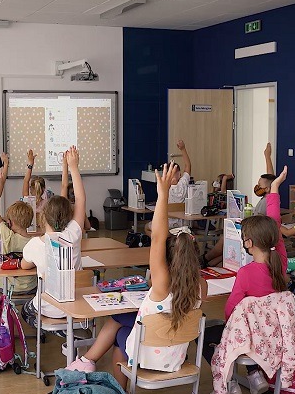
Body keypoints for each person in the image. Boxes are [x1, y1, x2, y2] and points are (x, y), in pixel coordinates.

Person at [65, 162, 207, 390]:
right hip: (175, 358)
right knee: (124, 321)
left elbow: (158, 237)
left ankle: (104, 376)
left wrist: (163, 195)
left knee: (121, 335)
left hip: (149, 358)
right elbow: (163, 241)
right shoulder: (202, 286)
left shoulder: (162, 284)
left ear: (168, 259)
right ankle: (87, 361)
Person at [21, 146, 86, 318]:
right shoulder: (74, 235)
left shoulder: (34, 244)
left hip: (48, 308)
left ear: (43, 217)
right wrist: (73, 167)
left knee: (25, 310)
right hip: (76, 306)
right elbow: (80, 198)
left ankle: (55, 329)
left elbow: (24, 265)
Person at [0, 156, 37, 295]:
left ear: (10, 222)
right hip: (31, 287)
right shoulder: (35, 242)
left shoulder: (7, 235)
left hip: (6, 286)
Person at [144, 140, 191, 235]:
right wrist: (183, 149)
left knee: (146, 227)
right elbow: (188, 165)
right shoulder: (183, 184)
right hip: (183, 224)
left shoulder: (164, 188)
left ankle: (158, 243)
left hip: (167, 225)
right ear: (180, 174)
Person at [61, 152, 91, 231]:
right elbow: (88, 226)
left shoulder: (64, 208)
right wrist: (74, 167)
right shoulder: (79, 210)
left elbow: (64, 185)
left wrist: (65, 164)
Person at [23, 149, 50, 213]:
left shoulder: (27, 202)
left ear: (30, 189)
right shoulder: (48, 204)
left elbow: (25, 181)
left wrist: (30, 164)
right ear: (43, 189)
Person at [253, 143, 276, 216]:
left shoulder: (267, 200)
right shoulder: (266, 198)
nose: (257, 186)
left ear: (267, 189)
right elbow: (271, 177)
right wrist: (267, 156)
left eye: (259, 185)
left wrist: (267, 156)